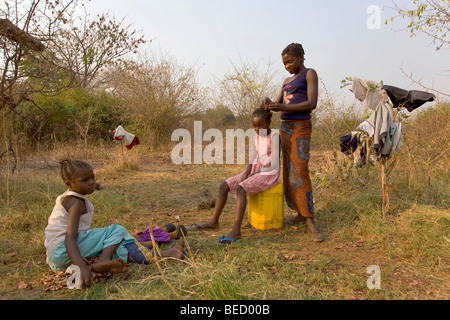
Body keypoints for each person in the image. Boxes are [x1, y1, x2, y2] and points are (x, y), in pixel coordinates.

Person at [44, 159, 185, 289]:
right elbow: (70, 237)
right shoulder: (75, 202)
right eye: (85, 180)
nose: (91, 182)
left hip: (57, 260)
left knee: (117, 246)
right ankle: (103, 260)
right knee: (116, 230)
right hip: (62, 249)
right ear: (69, 184)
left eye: (92, 177)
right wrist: (81, 266)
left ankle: (167, 254)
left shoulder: (72, 198)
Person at [188, 108, 281, 244]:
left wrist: (254, 173)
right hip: (256, 169)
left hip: (268, 173)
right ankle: (214, 222)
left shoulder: (275, 137)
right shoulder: (256, 136)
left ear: (269, 122)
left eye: (260, 125)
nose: (256, 128)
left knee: (240, 188)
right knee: (224, 185)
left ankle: (236, 231)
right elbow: (252, 158)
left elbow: (274, 163)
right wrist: (246, 172)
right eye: (254, 126)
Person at [261, 42, 324, 242]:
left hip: (300, 127)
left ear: (301, 57)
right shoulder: (287, 81)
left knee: (300, 168)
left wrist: (281, 106)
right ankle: (298, 211)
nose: (287, 65)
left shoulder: (309, 74)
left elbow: (312, 103)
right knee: (288, 170)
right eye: (284, 63)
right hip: (285, 128)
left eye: (290, 61)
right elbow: (277, 104)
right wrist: (268, 102)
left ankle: (309, 219)